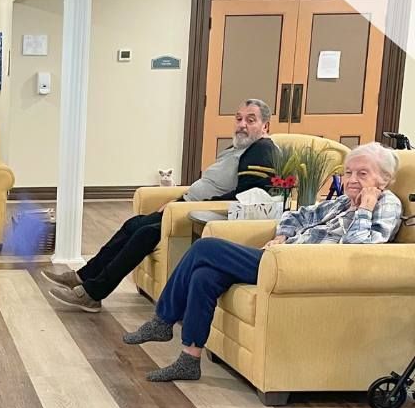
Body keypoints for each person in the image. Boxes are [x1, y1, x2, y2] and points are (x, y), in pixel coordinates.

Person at [123, 142, 402, 382]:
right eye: (348, 172)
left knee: (205, 248)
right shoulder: (342, 202)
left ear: (384, 179)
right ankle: (189, 359)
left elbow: (360, 248)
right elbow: (299, 215)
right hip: (282, 258)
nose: (352, 179)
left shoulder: (386, 205)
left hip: (301, 268)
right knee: (204, 276)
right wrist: (282, 235)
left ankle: (162, 320)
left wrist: (365, 208)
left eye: (362, 174)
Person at [46, 99, 278, 311]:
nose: (242, 125)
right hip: (185, 206)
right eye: (238, 118)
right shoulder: (237, 148)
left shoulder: (261, 150)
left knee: (145, 234)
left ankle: (93, 293)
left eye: (250, 120)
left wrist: (185, 207)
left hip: (198, 214)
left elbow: (247, 195)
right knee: (132, 225)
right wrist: (176, 201)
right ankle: (84, 277)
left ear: (265, 126)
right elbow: (209, 184)